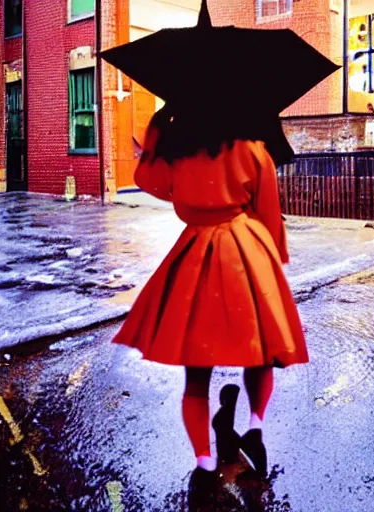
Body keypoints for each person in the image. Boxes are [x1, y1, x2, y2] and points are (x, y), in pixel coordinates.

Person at [112, 104, 308, 503]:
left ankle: (203, 462)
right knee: (261, 352)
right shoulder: (254, 149)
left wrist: (156, 128)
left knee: (196, 371)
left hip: (195, 254)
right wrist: (272, 266)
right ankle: (254, 427)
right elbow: (271, 218)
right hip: (248, 254)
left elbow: (145, 180)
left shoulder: (178, 152)